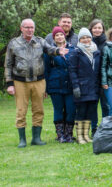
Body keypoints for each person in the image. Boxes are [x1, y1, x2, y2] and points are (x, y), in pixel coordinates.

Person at [4, 19, 68, 148]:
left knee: (38, 110)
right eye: (27, 27)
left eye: (32, 27)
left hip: (39, 81)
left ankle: (36, 138)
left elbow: (50, 49)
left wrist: (58, 51)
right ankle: (22, 139)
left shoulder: (40, 41)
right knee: (21, 110)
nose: (30, 30)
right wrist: (9, 83)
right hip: (20, 82)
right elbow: (8, 64)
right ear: (21, 28)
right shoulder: (14, 43)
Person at [69, 28, 101, 144]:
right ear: (79, 40)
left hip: (94, 87)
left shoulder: (96, 51)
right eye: (83, 38)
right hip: (81, 87)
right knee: (81, 112)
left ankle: (86, 135)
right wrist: (76, 86)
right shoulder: (75, 52)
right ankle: (79, 136)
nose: (86, 39)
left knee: (90, 111)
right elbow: (72, 71)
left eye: (88, 37)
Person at [44, 26, 75, 143]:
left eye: (61, 34)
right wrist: (46, 87)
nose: (59, 37)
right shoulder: (50, 51)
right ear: (54, 38)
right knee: (58, 109)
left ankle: (69, 134)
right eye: (57, 35)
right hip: (55, 84)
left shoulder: (72, 49)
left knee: (71, 110)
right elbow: (46, 70)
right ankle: (60, 135)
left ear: (65, 35)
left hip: (70, 85)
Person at [88, 19, 108, 136]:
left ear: (103, 29)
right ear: (91, 29)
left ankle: (105, 127)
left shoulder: (107, 42)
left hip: (105, 79)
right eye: (95, 28)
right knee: (93, 105)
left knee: (105, 105)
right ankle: (94, 128)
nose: (97, 30)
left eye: (99, 28)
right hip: (92, 79)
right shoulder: (87, 42)